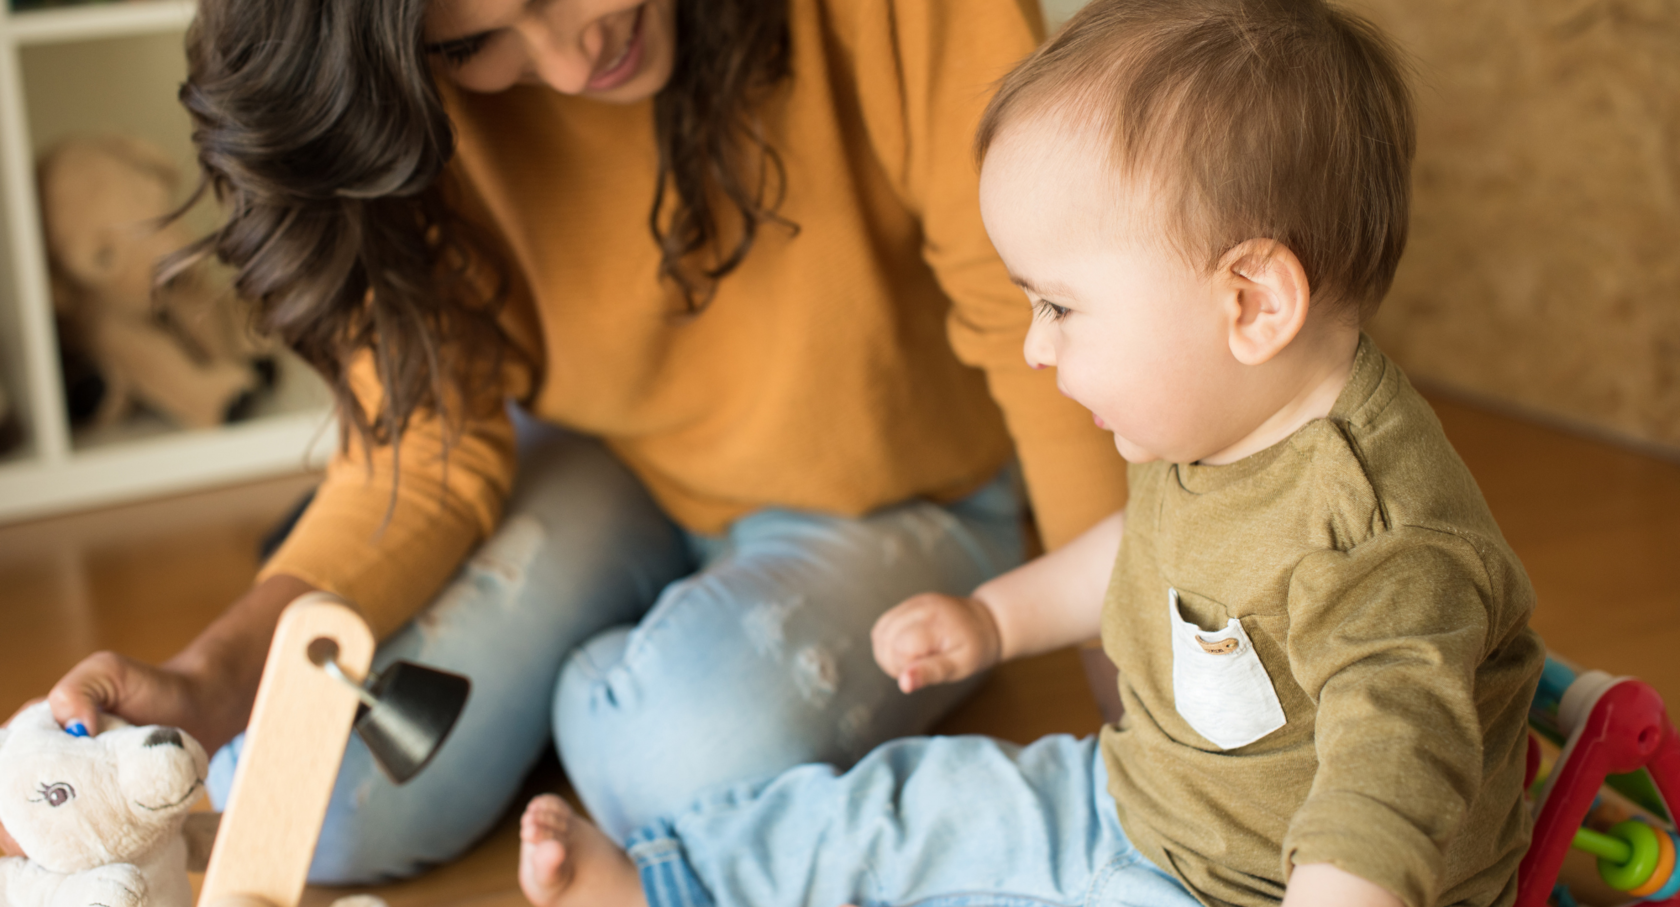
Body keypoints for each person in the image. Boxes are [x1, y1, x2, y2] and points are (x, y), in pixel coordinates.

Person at [14, 0, 1127, 885]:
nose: (571, 44)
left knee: (674, 760)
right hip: (605, 465)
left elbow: (1023, 309)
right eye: (479, 39)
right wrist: (210, 678)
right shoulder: (403, 90)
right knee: (310, 796)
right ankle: (597, 680)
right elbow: (424, 450)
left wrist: (1123, 659)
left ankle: (590, 693)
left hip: (905, 486)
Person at [504, 0, 1548, 905]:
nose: (1035, 347)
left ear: (1252, 302)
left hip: (1244, 889)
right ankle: (676, 879)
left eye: (1059, 306)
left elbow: (1388, 787)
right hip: (1140, 802)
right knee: (907, 802)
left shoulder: (1380, 544)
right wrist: (991, 619)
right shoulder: (1226, 413)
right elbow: (1142, 549)